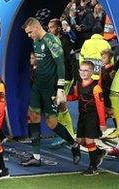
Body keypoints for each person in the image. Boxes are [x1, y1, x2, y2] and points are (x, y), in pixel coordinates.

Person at [20, 17, 81, 166]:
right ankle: (36, 156)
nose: (29, 35)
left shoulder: (51, 40)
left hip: (51, 88)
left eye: (29, 32)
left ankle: (74, 145)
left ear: (35, 28)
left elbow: (60, 64)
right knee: (33, 115)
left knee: (52, 123)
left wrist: (60, 88)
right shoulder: (35, 42)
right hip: (38, 86)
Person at [66, 61, 107, 175]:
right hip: (82, 116)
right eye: (81, 70)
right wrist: (65, 98)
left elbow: (100, 106)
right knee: (80, 141)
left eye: (86, 70)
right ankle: (98, 152)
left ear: (92, 72)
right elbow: (75, 96)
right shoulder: (78, 83)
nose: (83, 72)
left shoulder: (96, 87)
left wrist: (102, 123)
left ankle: (93, 168)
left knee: (89, 141)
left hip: (92, 117)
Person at [48, 18, 77, 147]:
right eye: (49, 27)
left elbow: (72, 61)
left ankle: (68, 135)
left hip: (65, 78)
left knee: (60, 106)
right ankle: (68, 135)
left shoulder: (65, 42)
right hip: (57, 77)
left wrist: (75, 79)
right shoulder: (51, 42)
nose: (50, 30)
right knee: (61, 106)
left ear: (59, 28)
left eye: (52, 27)